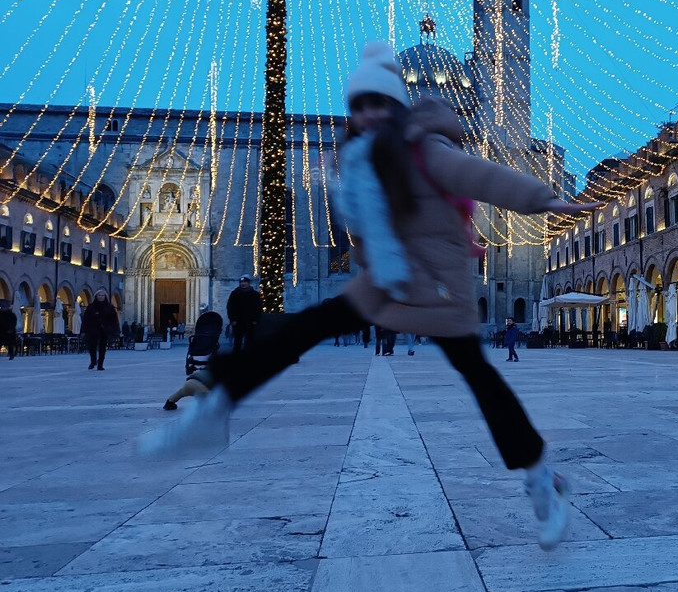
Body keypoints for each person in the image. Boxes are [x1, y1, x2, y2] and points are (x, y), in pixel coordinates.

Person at [139, 40, 600, 549]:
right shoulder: (358, 162)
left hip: (437, 290)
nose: (370, 114)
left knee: (483, 380)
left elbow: (482, 176)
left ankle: (543, 481)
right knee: (302, 329)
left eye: (380, 103)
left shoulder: (426, 150)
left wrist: (547, 199)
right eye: (360, 106)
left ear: (399, 107)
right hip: (383, 284)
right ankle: (216, 404)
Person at [82, 289, 119, 370]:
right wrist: (84, 330)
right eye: (99, 295)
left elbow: (114, 320)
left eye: (102, 295)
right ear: (96, 297)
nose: (101, 297)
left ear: (105, 296)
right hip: (92, 329)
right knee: (92, 346)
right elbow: (86, 319)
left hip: (104, 330)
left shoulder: (110, 307)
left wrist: (114, 330)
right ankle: (93, 361)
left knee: (102, 347)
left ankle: (100, 364)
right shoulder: (91, 307)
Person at [226, 275, 262, 351]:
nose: (243, 283)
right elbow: (230, 307)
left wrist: (255, 320)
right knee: (237, 342)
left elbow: (258, 308)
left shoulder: (254, 294)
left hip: (250, 322)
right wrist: (232, 320)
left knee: (250, 342)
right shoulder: (235, 294)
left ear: (249, 283)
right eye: (242, 282)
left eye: (245, 282)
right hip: (238, 322)